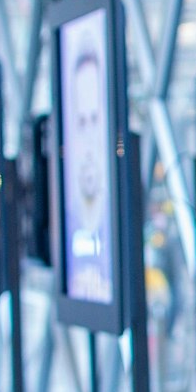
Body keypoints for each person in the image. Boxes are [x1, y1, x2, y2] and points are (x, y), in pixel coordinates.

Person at [63, 33, 113, 303]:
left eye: (95, 118)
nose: (90, 137)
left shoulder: (112, 214)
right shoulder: (68, 217)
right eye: (82, 120)